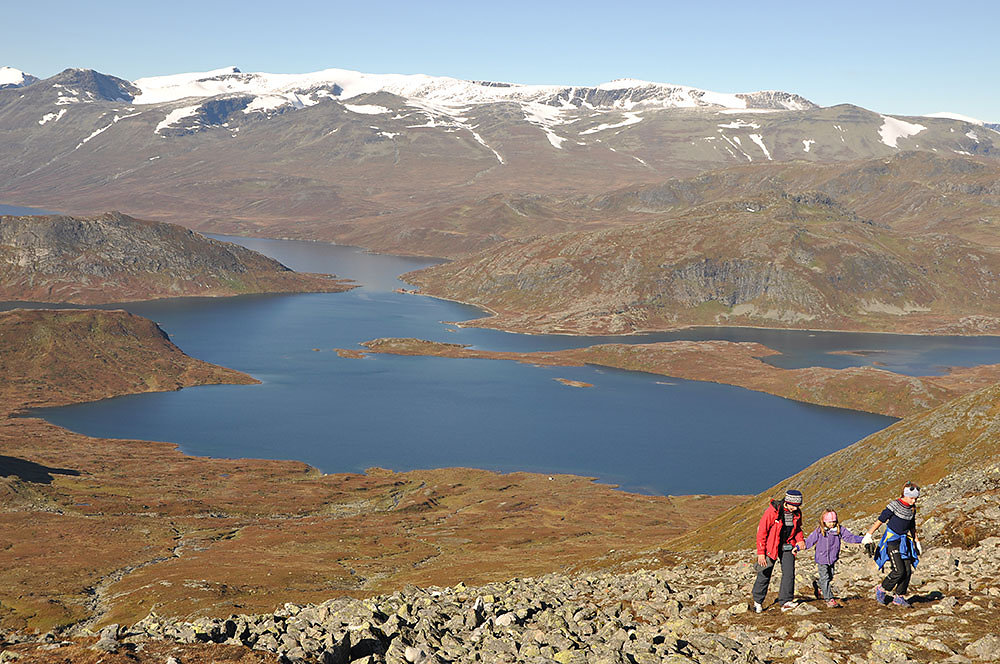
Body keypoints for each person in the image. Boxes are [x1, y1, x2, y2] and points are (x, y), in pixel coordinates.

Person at [862, 482, 922, 608]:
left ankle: (899, 597)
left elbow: (912, 525)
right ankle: (882, 588)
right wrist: (869, 534)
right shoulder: (894, 505)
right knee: (898, 570)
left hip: (904, 541)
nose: (913, 501)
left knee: (907, 571)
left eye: (916, 498)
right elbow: (881, 520)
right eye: (911, 498)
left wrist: (916, 541)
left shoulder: (912, 509)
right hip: (892, 541)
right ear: (905, 495)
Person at [752, 489, 805, 613]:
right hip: (771, 547)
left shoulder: (797, 513)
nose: (794, 509)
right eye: (793, 506)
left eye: (797, 506)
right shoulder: (772, 511)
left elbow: (798, 529)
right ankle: (757, 601)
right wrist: (761, 552)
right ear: (787, 502)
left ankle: (786, 601)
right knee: (765, 572)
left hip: (788, 546)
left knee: (789, 573)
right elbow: (762, 531)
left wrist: (800, 540)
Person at [801, 509, 863, 607]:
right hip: (822, 558)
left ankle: (819, 586)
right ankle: (829, 599)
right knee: (825, 578)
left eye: (834, 521)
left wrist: (863, 540)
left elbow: (850, 537)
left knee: (829, 577)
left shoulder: (839, 529)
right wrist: (798, 547)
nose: (832, 524)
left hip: (833, 558)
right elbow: (809, 541)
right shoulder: (819, 530)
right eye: (830, 522)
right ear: (824, 521)